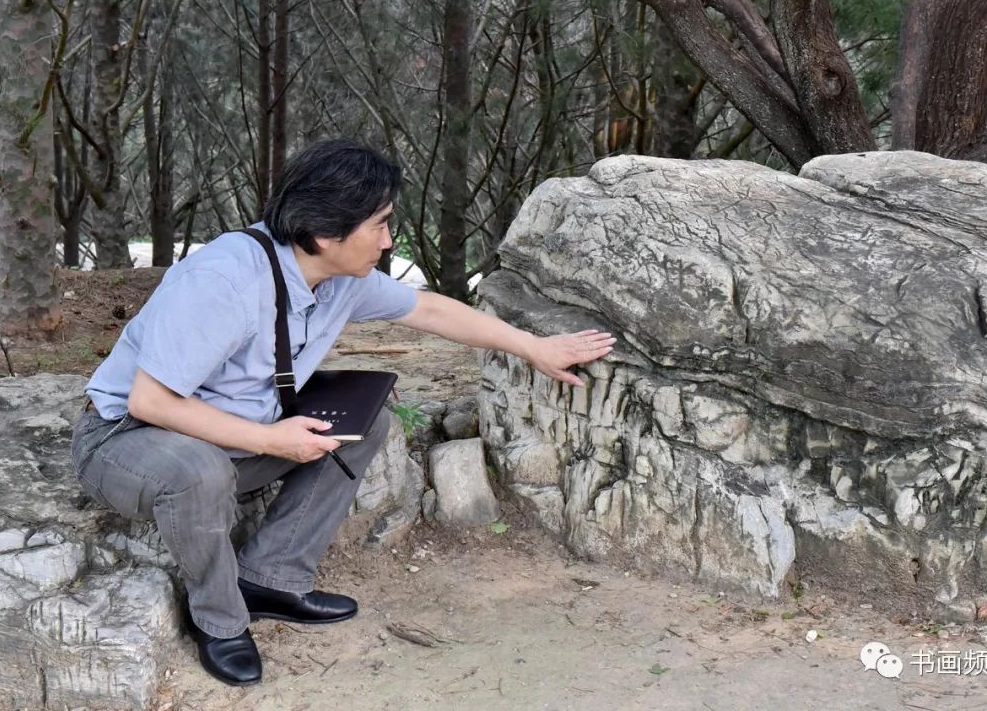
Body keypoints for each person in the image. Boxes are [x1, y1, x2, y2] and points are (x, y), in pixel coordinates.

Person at [70, 139, 615, 687]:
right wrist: (269, 441)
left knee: (367, 419)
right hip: (129, 439)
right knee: (199, 472)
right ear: (326, 233)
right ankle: (219, 619)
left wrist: (534, 347)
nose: (388, 239)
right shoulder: (223, 281)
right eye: (378, 225)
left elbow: (428, 308)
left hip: (233, 429)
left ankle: (273, 578)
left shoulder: (340, 278)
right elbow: (152, 401)